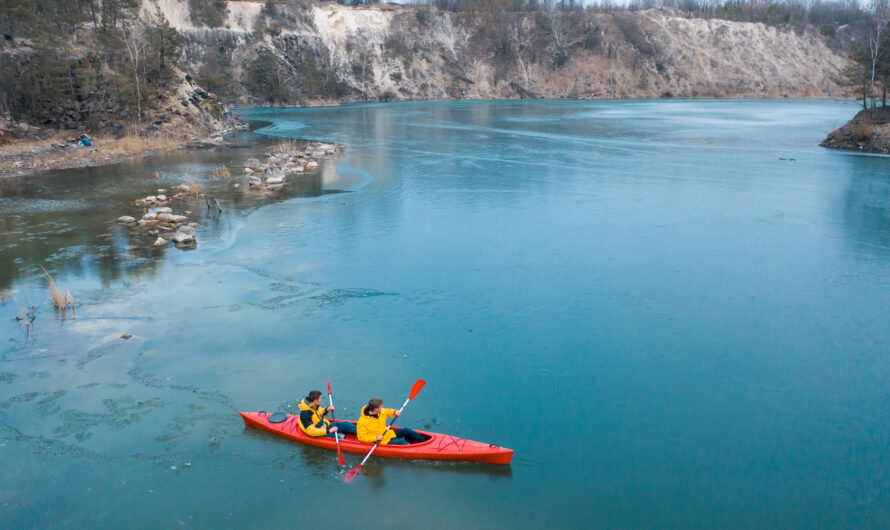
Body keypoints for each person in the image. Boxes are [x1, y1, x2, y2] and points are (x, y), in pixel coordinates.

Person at [357, 398, 426, 445]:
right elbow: (361, 437)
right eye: (381, 406)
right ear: (375, 409)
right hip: (380, 440)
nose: (382, 407)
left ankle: (424, 442)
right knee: (400, 441)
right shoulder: (362, 422)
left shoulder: (380, 412)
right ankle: (415, 451)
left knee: (407, 430)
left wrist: (394, 412)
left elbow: (387, 412)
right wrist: (376, 438)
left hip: (387, 433)